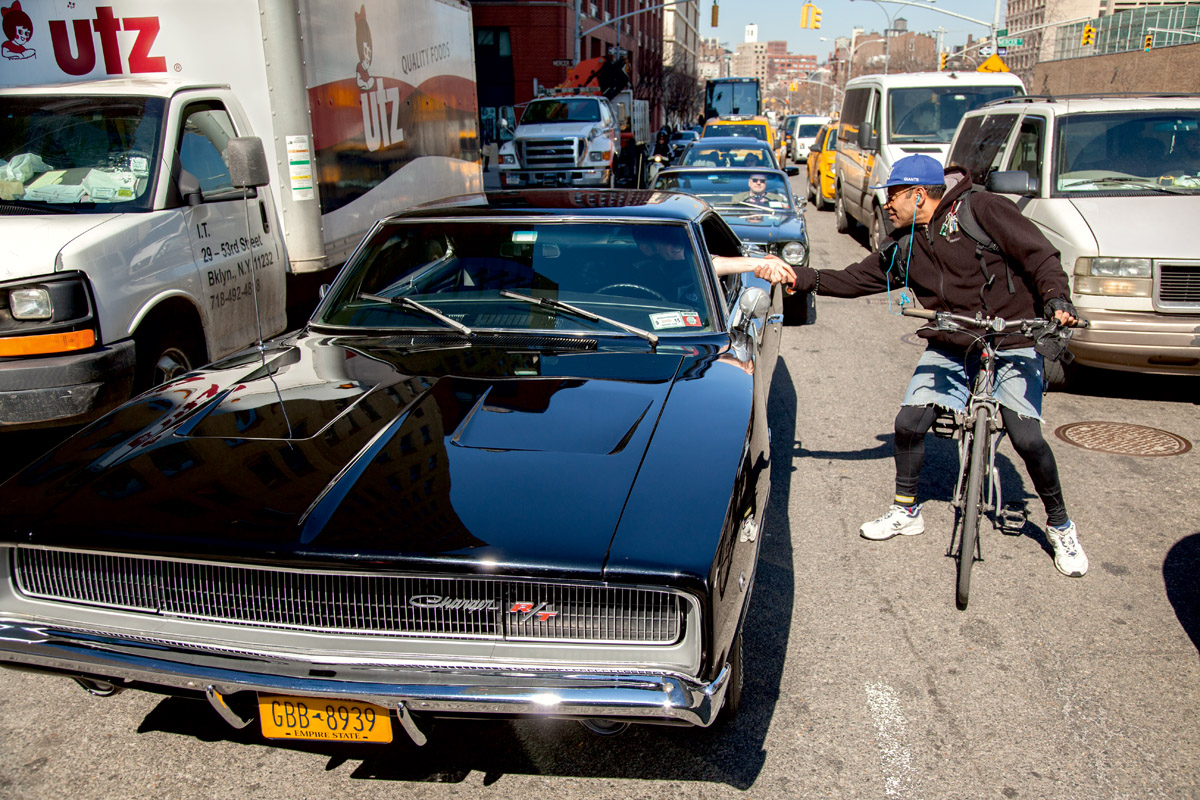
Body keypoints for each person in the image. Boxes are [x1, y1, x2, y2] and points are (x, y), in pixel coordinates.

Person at [787, 154, 1089, 578]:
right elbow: (857, 279)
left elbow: (1039, 256)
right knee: (909, 423)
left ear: (917, 193)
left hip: (1012, 337)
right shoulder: (907, 243)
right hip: (952, 342)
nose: (886, 205)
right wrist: (802, 278)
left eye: (892, 195)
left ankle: (1060, 525)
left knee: (1026, 437)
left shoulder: (983, 210)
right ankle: (906, 511)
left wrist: (1057, 298)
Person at [629, 225, 795, 305]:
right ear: (647, 249)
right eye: (665, 240)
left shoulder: (697, 262)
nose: (676, 244)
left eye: (677, 237)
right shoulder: (638, 273)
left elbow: (715, 265)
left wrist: (766, 264)